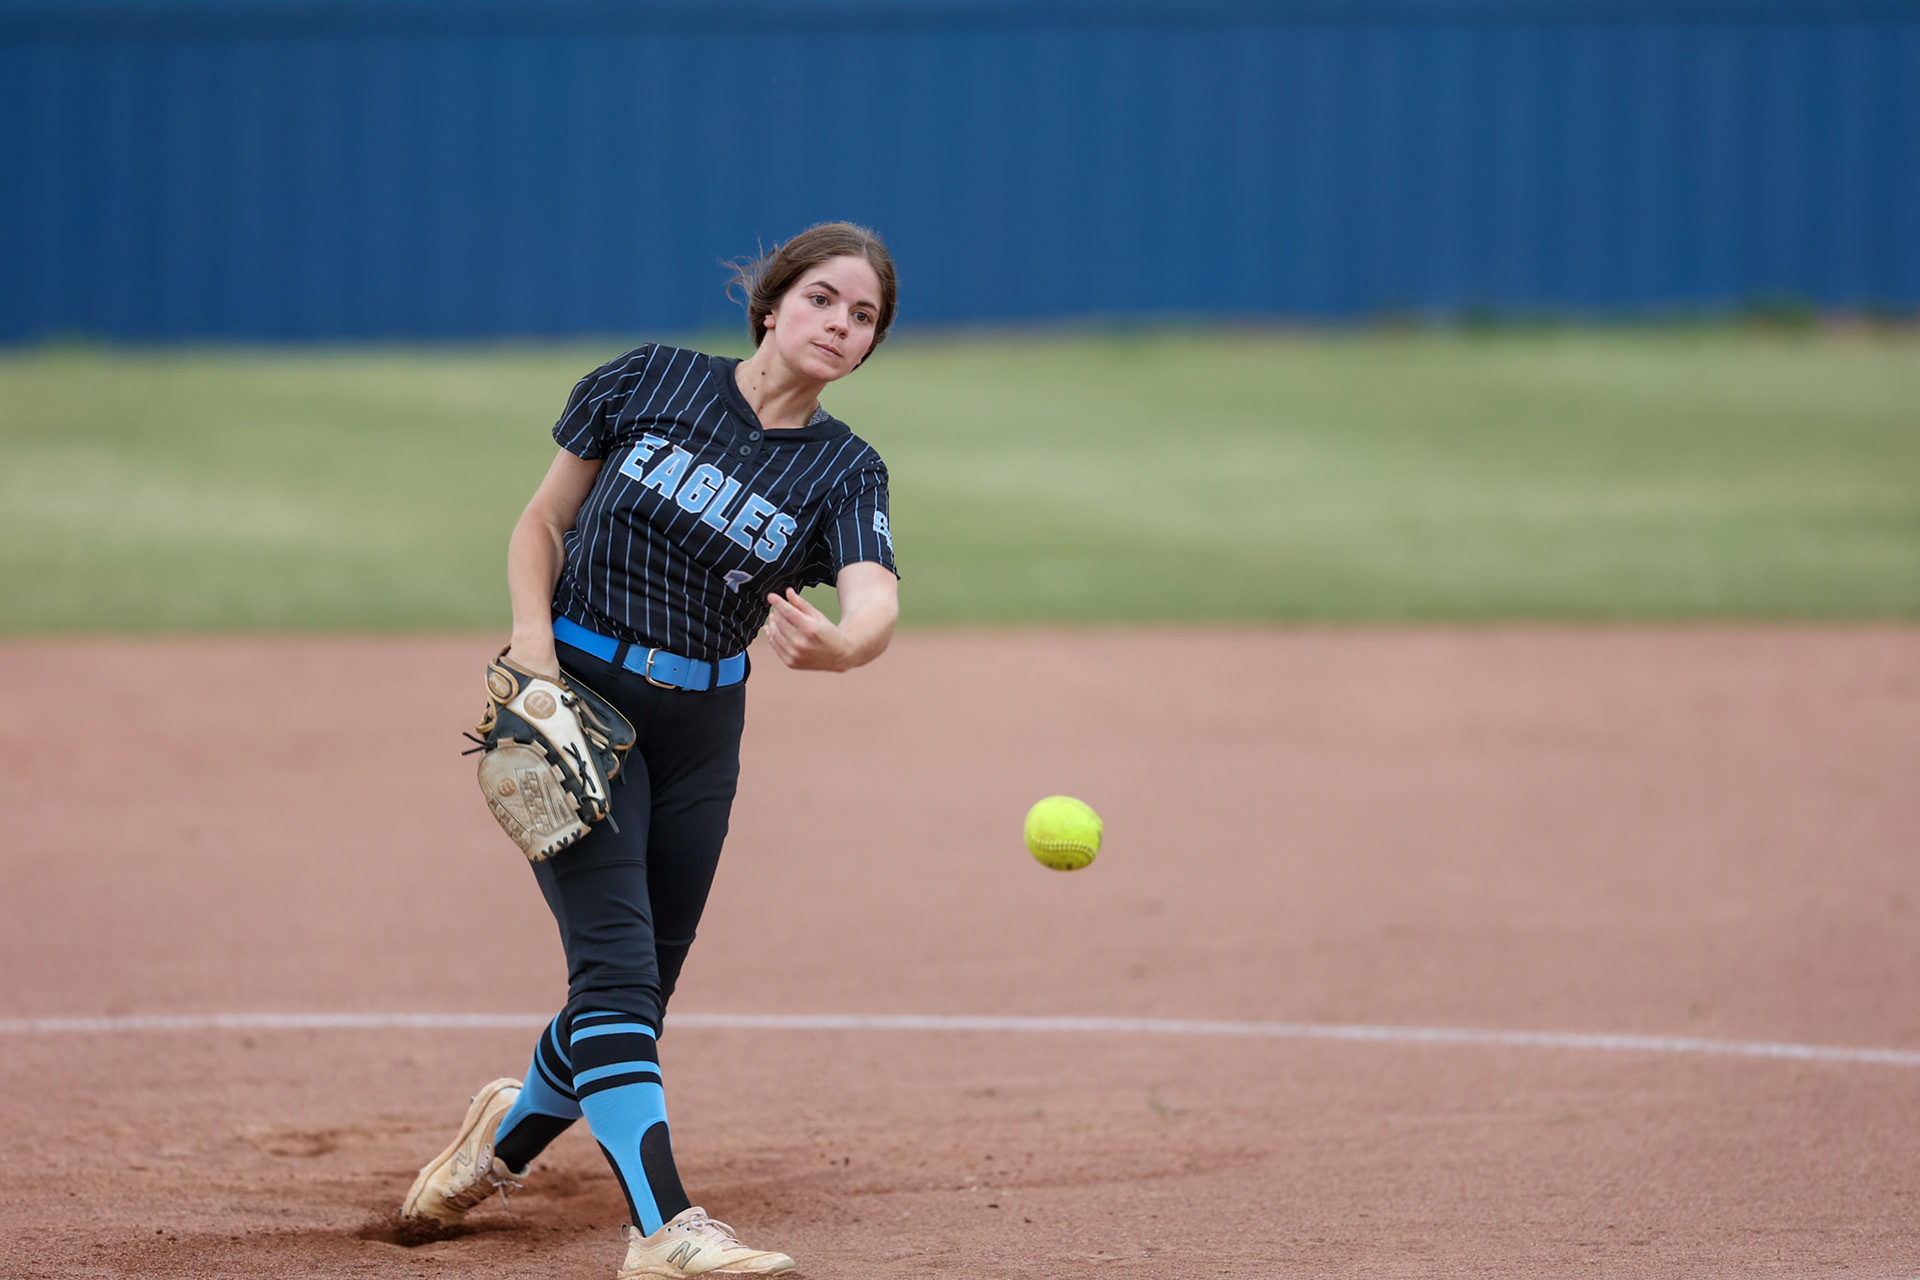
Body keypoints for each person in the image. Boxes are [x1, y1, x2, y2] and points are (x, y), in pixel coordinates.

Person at [399, 222, 901, 1278]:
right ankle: (665, 1227)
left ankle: (503, 1143)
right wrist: (532, 650)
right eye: (823, 298)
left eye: (863, 316)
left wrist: (848, 647)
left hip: (703, 735)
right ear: (772, 304)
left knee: (635, 991)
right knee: (619, 973)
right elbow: (541, 522)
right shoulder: (650, 380)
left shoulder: (845, 468)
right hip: (573, 702)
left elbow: (874, 596)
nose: (840, 325)